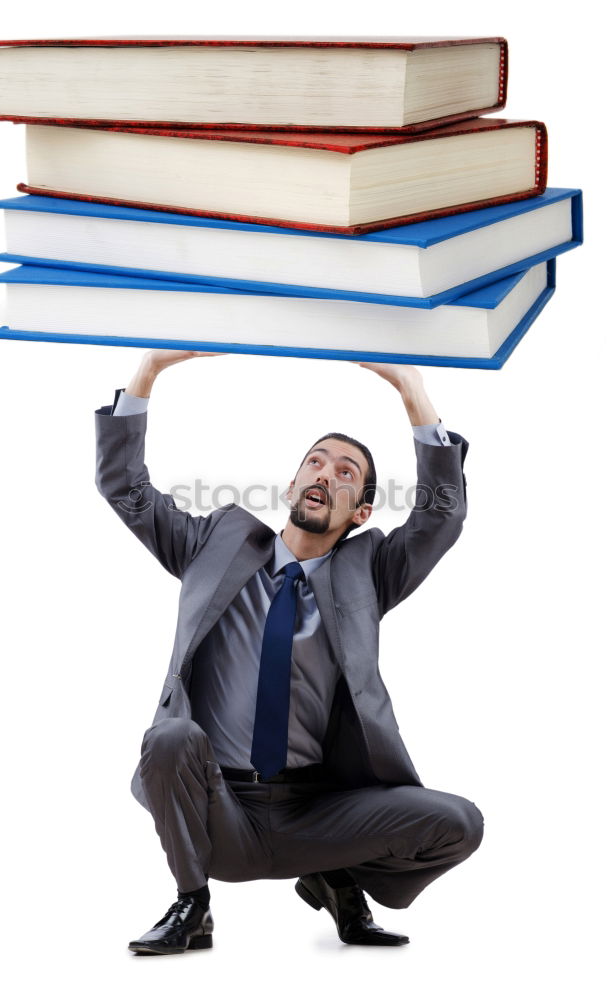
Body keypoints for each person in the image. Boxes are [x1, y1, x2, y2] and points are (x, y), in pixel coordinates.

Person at [94, 348, 483, 955]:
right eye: (316, 462)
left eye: (347, 471)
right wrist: (149, 371)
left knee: (458, 824)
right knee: (169, 738)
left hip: (316, 809)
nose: (327, 473)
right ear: (293, 485)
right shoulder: (213, 541)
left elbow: (441, 518)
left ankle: (337, 878)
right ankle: (192, 904)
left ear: (361, 511)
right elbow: (125, 486)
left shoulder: (370, 571)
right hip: (217, 807)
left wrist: (411, 391)